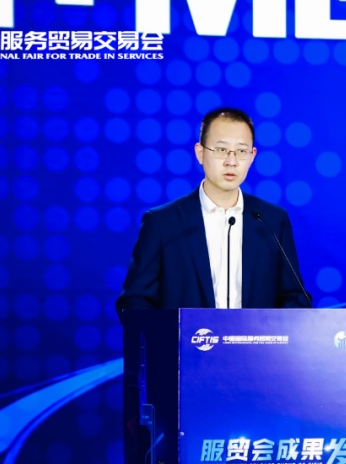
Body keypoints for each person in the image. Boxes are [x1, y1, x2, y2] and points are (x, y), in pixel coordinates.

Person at [116, 107, 310, 320]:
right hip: (183, 342)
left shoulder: (271, 221)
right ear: (200, 152)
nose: (231, 161)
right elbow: (134, 300)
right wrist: (167, 335)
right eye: (221, 150)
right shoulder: (162, 223)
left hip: (256, 341)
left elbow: (295, 297)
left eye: (241, 151)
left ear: (252, 156)